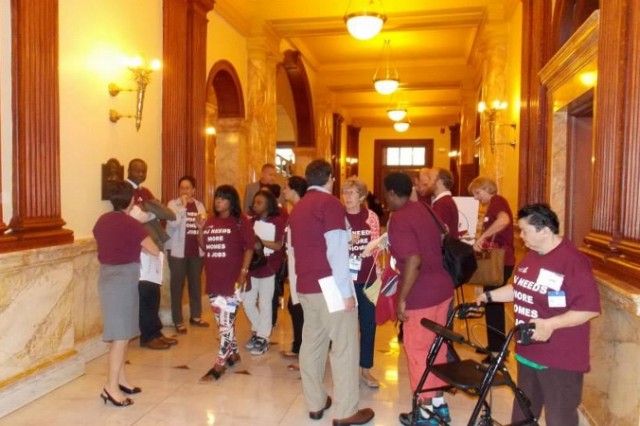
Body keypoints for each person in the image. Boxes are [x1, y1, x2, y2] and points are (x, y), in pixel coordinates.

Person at [475, 204, 600, 426]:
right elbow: (519, 288)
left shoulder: (572, 261)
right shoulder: (533, 256)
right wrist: (489, 296)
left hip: (559, 357)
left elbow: (588, 308)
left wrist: (551, 324)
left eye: (524, 230)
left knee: (559, 418)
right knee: (524, 411)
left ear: (544, 230)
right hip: (528, 351)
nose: (520, 236)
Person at [289, 159, 375, 426]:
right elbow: (336, 250)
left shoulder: (298, 207)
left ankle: (315, 403)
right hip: (330, 286)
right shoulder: (330, 205)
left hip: (305, 285)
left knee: (312, 344)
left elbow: (295, 249)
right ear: (329, 178)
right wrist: (346, 293)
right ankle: (346, 410)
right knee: (345, 346)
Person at [384, 172, 454, 426]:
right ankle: (439, 404)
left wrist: (402, 299)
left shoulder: (399, 218)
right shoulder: (426, 209)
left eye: (385, 193)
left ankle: (425, 413)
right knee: (438, 348)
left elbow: (414, 260)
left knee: (417, 351)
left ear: (392, 192)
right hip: (443, 289)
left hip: (420, 293)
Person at [93, 181, 160, 406]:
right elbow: (154, 249)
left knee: (123, 333)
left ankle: (121, 380)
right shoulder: (132, 224)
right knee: (120, 338)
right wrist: (138, 241)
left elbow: (107, 243)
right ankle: (110, 388)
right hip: (123, 281)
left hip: (107, 278)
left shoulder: (101, 221)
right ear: (131, 200)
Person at [197, 185, 254, 382]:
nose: (218, 201)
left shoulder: (240, 221)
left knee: (225, 324)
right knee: (223, 322)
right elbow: (205, 246)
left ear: (231, 201)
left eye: (223, 198)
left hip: (233, 280)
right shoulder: (211, 221)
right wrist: (200, 230)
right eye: (217, 198)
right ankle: (233, 353)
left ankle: (219, 365)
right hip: (214, 278)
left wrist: (243, 272)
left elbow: (249, 248)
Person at [126, 159, 178, 350]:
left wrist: (149, 213)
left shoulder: (145, 192)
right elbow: (133, 216)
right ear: (129, 170)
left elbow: (163, 212)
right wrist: (151, 213)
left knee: (154, 290)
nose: (140, 174)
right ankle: (147, 336)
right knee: (146, 291)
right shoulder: (126, 190)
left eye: (143, 170)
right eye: (137, 170)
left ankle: (156, 331)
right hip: (140, 249)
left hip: (154, 246)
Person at [468, 176, 515, 360]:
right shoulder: (493, 204)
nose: (476, 198)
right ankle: (494, 344)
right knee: (491, 302)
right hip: (501, 260)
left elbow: (503, 221)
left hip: (501, 261)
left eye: (477, 193)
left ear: (487, 188)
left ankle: (498, 350)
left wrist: (483, 237)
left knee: (493, 302)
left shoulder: (497, 201)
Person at [341, 177, 382, 389]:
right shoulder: (337, 216)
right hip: (345, 280)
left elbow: (375, 244)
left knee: (368, 325)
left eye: (352, 193)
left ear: (362, 197)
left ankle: (366, 369)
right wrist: (347, 242)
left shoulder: (371, 217)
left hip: (367, 279)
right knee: (345, 327)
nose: (347, 197)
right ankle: (347, 368)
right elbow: (329, 247)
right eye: (345, 192)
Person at [243, 189, 285, 356]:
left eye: (260, 202)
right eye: (255, 202)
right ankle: (259, 329)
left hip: (269, 266)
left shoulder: (278, 221)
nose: (256, 205)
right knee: (247, 301)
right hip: (253, 266)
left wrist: (259, 240)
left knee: (265, 302)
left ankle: (262, 337)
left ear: (269, 204)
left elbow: (278, 245)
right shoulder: (251, 221)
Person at [166, 175, 209, 334]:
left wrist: (201, 227)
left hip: (195, 250)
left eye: (187, 188)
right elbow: (173, 223)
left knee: (195, 283)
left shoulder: (199, 205)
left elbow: (203, 226)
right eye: (182, 187)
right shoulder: (173, 204)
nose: (184, 190)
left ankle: (196, 316)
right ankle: (178, 320)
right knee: (177, 286)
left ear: (193, 190)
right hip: (177, 251)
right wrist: (183, 208)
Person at [280, 175, 307, 361]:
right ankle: (299, 346)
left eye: (286, 188)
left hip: (302, 268)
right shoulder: (296, 209)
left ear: (294, 190)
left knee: (298, 307)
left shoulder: (302, 211)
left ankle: (301, 348)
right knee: (294, 306)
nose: (283, 191)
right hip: (295, 266)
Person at [423, 168, 459, 239]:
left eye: (430, 179)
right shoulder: (444, 201)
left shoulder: (443, 204)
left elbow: (436, 234)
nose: (427, 183)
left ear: (439, 181)